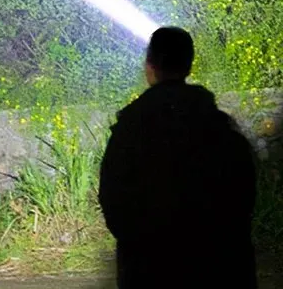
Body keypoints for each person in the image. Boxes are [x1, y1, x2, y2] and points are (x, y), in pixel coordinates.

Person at [99, 27, 257, 289]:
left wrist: (138, 247)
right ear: (189, 64)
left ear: (150, 66)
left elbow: (113, 197)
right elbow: (244, 191)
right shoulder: (218, 125)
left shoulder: (131, 129)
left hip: (150, 268)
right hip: (220, 266)